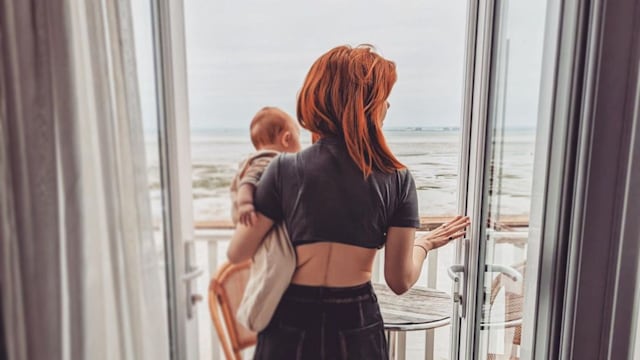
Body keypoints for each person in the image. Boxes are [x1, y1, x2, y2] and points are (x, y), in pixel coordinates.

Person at [228, 45, 470, 360]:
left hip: (289, 318)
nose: (387, 107)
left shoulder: (284, 169)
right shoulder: (398, 179)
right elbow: (399, 280)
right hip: (356, 321)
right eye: (384, 100)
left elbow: (238, 252)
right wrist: (424, 245)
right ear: (368, 107)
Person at [230, 106, 301, 226]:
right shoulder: (267, 159)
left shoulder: (256, 160)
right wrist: (245, 204)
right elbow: (248, 181)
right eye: (298, 138)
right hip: (251, 217)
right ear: (286, 139)